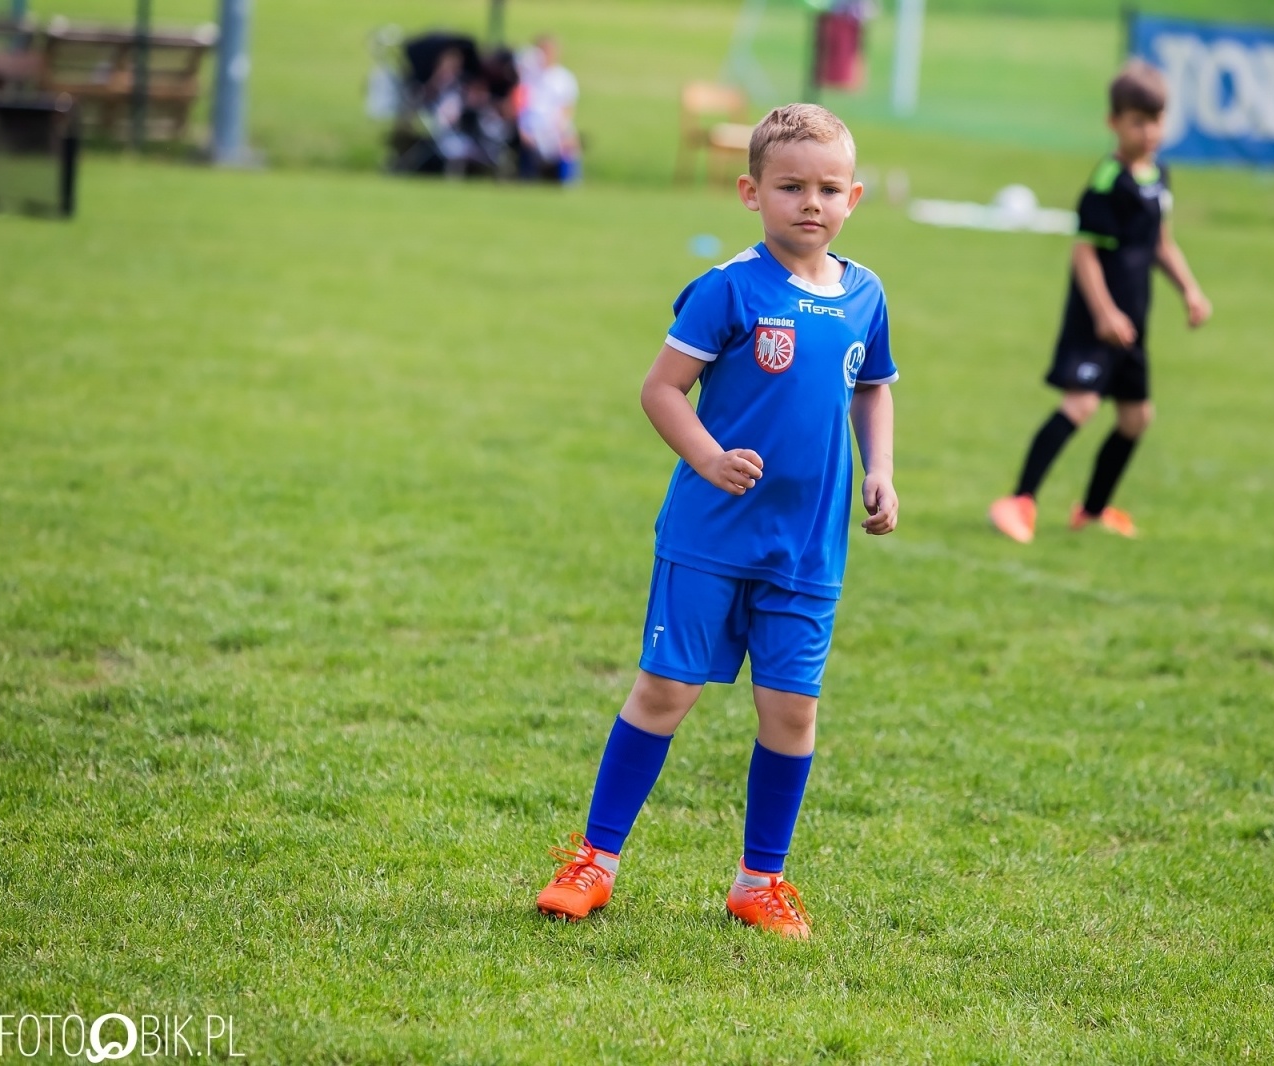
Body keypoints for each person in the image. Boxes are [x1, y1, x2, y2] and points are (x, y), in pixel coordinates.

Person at [534, 104, 899, 939]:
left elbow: (874, 386)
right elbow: (661, 389)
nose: (811, 202)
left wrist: (878, 468)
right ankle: (594, 862)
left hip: (806, 548)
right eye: (791, 187)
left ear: (853, 198)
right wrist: (707, 457)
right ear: (751, 192)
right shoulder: (729, 288)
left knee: (792, 713)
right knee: (666, 690)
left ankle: (759, 882)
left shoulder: (865, 295)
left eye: (829, 189)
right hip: (710, 537)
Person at [988, 61, 1210, 544]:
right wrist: (1105, 312)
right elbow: (1084, 253)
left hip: (1134, 322)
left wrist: (1190, 290)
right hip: (1096, 321)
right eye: (1138, 122)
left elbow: (1161, 243)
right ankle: (1018, 501)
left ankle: (1091, 511)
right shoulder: (1108, 181)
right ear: (1114, 123)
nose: (1149, 132)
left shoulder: (1159, 175)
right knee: (1082, 404)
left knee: (1136, 417)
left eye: (1157, 120)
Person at [515, 33, 580, 182]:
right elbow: (521, 104)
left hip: (555, 129)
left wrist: (560, 131)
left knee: (569, 145)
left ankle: (568, 181)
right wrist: (523, 128)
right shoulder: (528, 77)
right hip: (531, 127)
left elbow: (567, 109)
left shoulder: (564, 78)